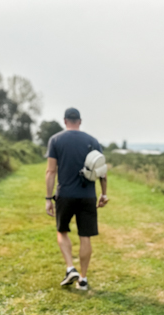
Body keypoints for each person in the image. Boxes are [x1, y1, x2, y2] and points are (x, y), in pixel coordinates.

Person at [45, 108, 108, 290]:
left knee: (62, 231)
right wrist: (103, 194)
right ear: (79, 121)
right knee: (85, 236)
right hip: (87, 196)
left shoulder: (55, 140)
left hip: (64, 194)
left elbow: (51, 171)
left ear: (65, 121)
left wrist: (48, 198)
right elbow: (102, 171)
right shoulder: (92, 141)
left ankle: (70, 268)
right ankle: (83, 278)